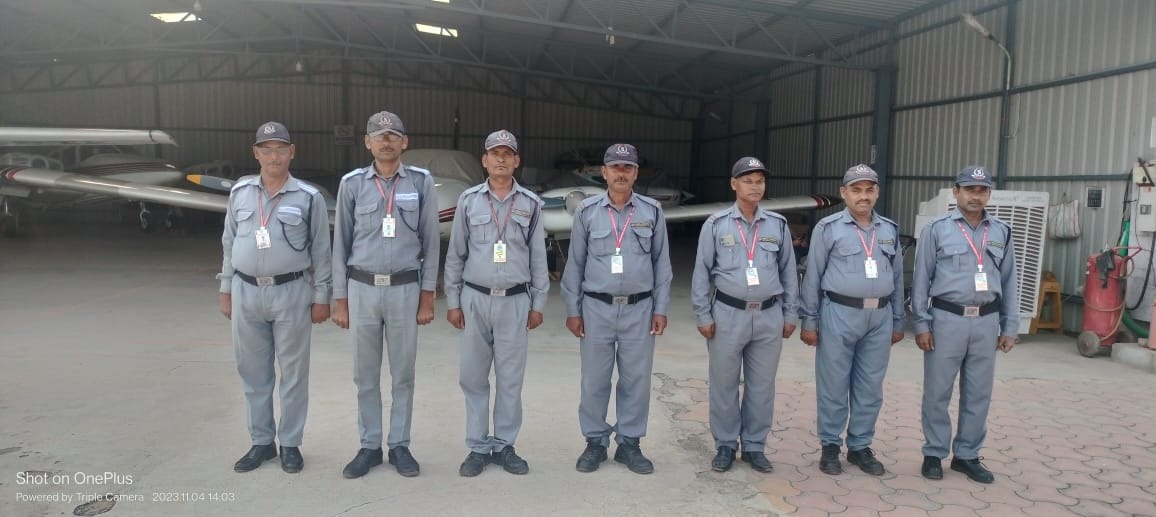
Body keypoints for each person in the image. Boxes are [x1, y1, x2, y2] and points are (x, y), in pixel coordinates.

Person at [219, 121, 331, 474]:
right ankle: (261, 442)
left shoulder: (309, 197)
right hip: (246, 291)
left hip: (291, 291)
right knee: (253, 372)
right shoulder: (240, 193)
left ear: (292, 152)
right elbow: (229, 243)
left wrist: (322, 296)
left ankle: (291, 444)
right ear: (256, 153)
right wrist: (225, 289)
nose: (274, 156)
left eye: (281, 149)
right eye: (267, 150)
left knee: (293, 373)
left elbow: (321, 251)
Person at [332, 111, 439, 479]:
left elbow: (431, 242)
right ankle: (369, 446)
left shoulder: (422, 183)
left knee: (403, 375)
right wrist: (340, 298)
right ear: (368, 142)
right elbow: (340, 243)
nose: (387, 140)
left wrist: (428, 296)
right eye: (379, 135)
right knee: (365, 375)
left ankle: (400, 445)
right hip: (361, 288)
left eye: (393, 135)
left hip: (405, 289)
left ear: (404, 142)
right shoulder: (352, 184)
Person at [562, 143, 673, 475]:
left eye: (627, 168)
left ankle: (629, 443)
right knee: (594, 380)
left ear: (636, 173)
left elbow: (662, 264)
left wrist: (661, 308)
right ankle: (595, 442)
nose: (621, 173)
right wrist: (573, 309)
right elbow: (575, 263)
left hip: (640, 308)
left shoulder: (652, 211)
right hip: (596, 308)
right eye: (615, 167)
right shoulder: (587, 211)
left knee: (635, 381)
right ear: (604, 172)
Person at [443, 130, 549, 477]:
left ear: (517, 161)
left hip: (515, 301)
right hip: (475, 298)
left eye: (507, 153)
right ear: (485, 160)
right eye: (494, 153)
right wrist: (453, 300)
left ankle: (504, 445)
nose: (501, 159)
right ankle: (477, 446)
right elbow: (456, 254)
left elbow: (538, 258)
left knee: (510, 379)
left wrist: (538, 303)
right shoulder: (469, 201)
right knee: (473, 376)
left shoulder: (530, 204)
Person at [689, 156, 798, 474]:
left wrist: (790, 313)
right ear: (734, 184)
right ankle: (725, 444)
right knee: (723, 383)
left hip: (768, 315)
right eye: (748, 181)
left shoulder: (778, 225)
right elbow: (701, 273)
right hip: (727, 314)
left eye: (760, 181)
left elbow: (789, 272)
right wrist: (702, 314)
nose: (755, 186)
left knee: (762, 386)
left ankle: (754, 446)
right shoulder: (716, 224)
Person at [912, 165, 1018, 484]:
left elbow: (1010, 280)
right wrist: (921, 324)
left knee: (978, 393)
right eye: (970, 189)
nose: (976, 196)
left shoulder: (1001, 231)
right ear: (956, 191)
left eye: (982, 190)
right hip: (947, 320)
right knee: (937, 391)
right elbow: (921, 279)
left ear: (989, 194)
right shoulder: (936, 230)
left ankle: (967, 455)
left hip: (986, 321)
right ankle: (934, 453)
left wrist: (1009, 326)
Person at [799, 164, 904, 477]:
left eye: (869, 190)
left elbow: (898, 278)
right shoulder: (828, 228)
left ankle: (860, 446)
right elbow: (813, 276)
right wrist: (809, 320)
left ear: (877, 193)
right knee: (833, 384)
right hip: (839, 313)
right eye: (856, 190)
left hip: (879, 317)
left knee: (870, 386)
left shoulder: (889, 230)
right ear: (844, 193)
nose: (863, 196)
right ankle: (831, 445)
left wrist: (898, 320)